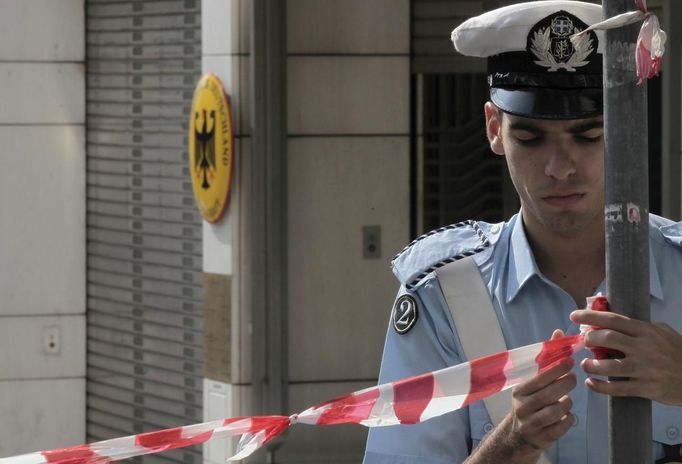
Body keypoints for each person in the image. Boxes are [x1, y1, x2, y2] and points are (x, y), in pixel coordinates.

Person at [362, 1, 682, 463]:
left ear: (625, 127)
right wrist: (509, 445)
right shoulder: (444, 299)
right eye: (531, 138)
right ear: (495, 129)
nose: (560, 167)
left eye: (587, 136)